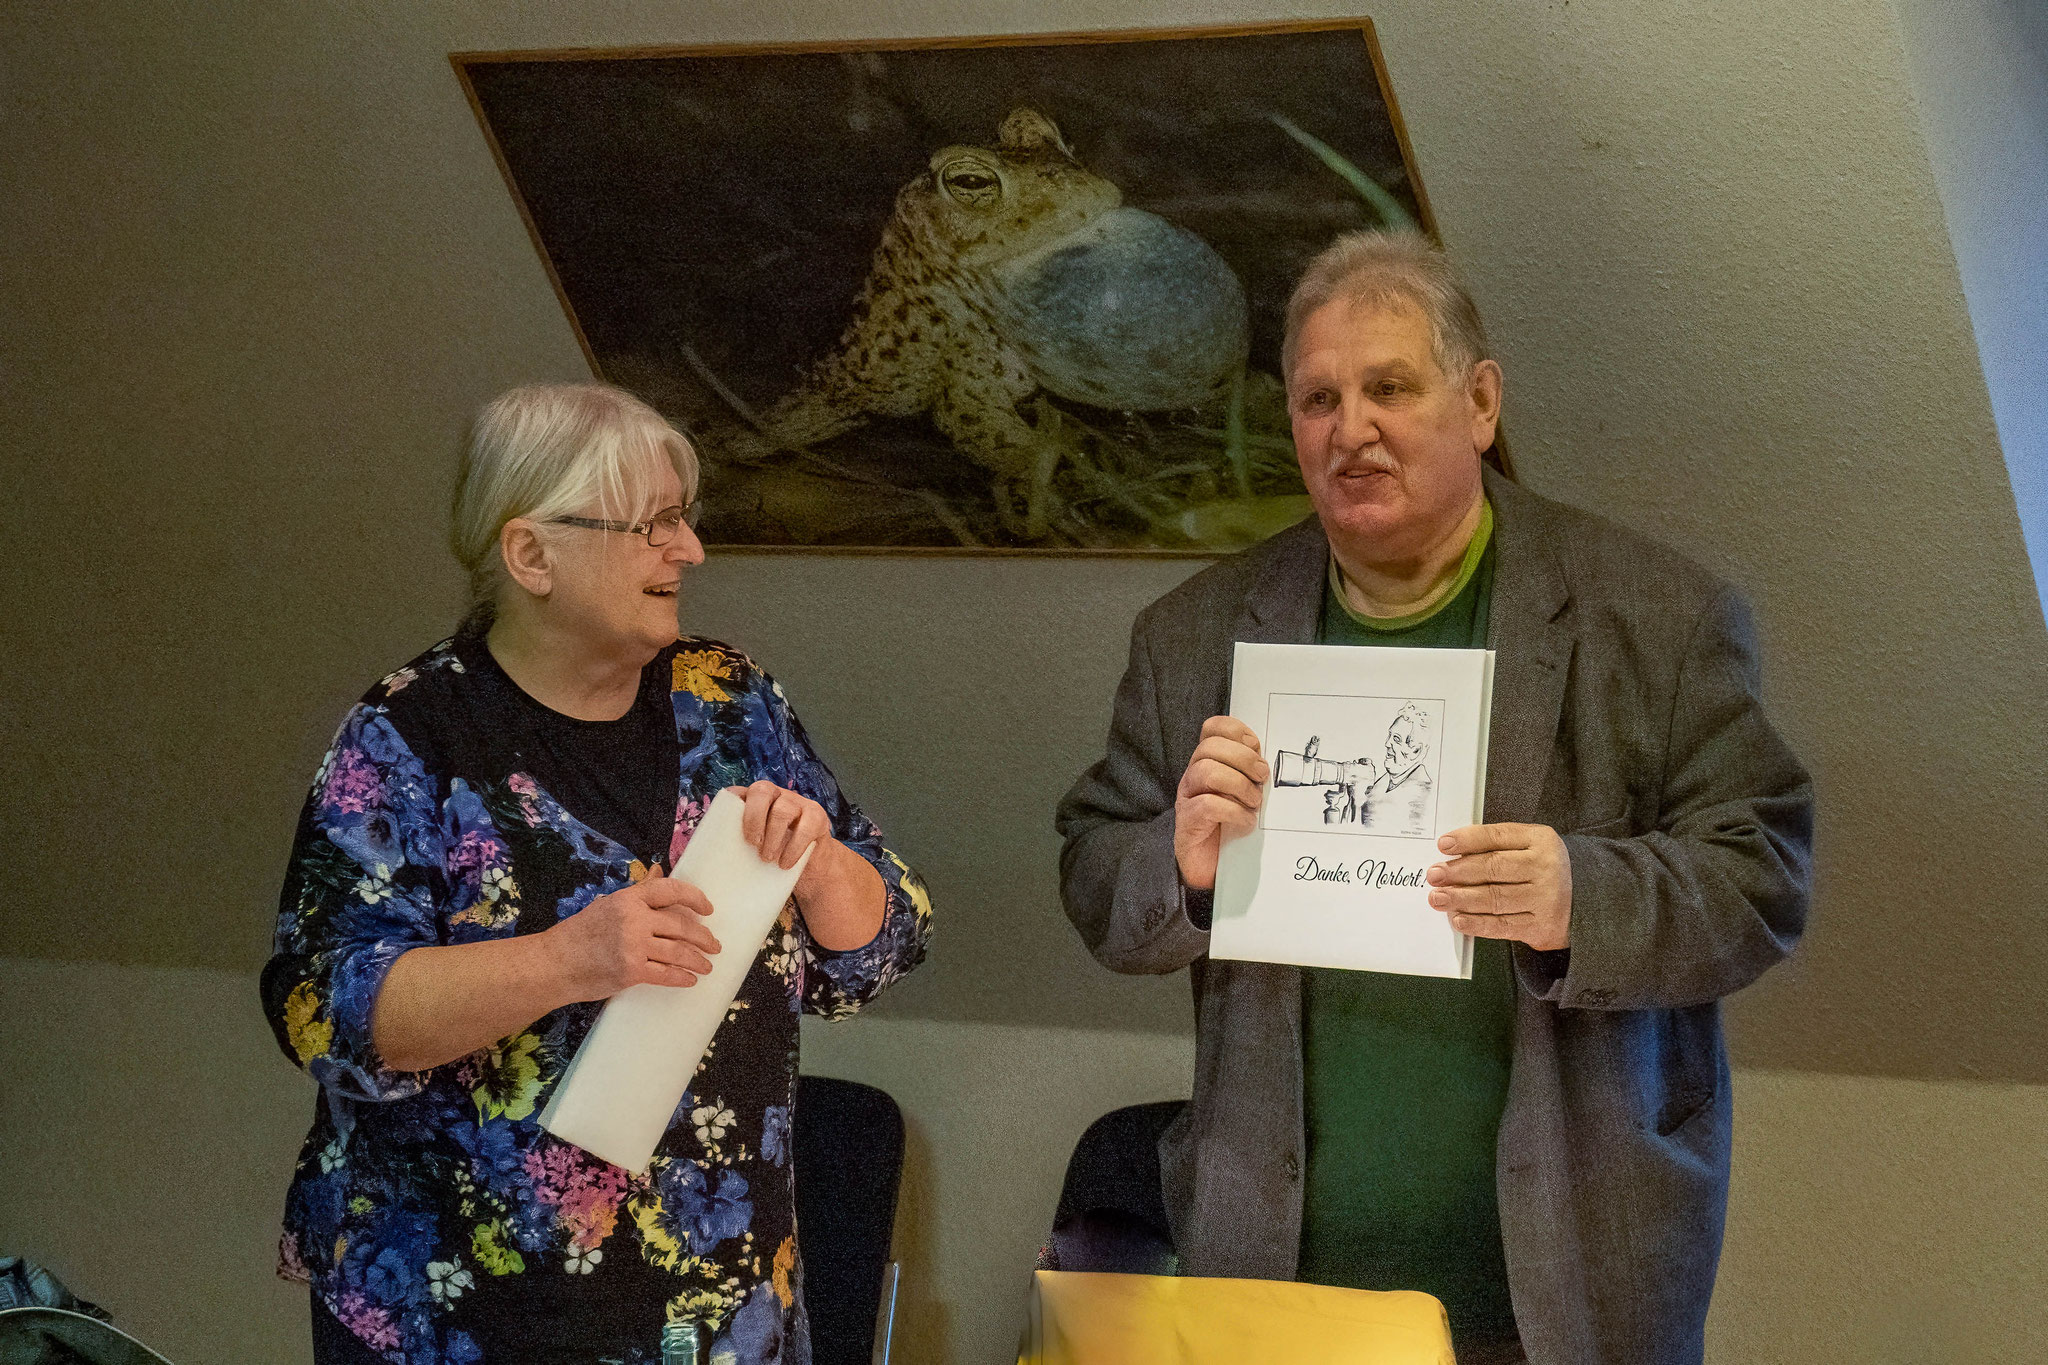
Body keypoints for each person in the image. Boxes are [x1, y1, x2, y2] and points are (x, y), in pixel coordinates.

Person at [1056, 231, 1811, 1365]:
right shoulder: (1193, 634)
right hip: (1277, 1280)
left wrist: (1582, 896)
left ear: (1479, 401)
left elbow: (1762, 874)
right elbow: (1089, 866)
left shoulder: (1655, 614)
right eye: (1316, 398)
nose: (1348, 429)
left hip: (1562, 1282)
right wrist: (1180, 862)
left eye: (1388, 388)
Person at [260, 382, 932, 1365]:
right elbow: (327, 1012)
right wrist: (569, 960)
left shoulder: (730, 701)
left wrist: (820, 862)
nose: (688, 550)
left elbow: (888, 935)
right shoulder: (410, 737)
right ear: (530, 553)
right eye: (651, 524)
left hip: (720, 1302)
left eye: (683, 518)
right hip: (463, 1313)